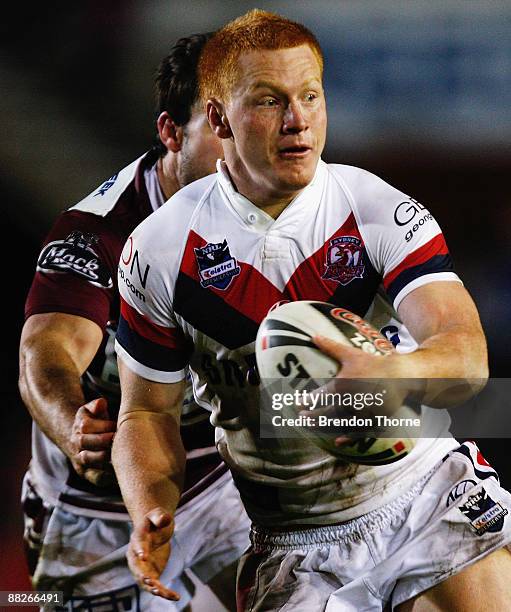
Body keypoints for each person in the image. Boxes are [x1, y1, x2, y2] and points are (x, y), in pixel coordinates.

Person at [112, 10, 511, 611]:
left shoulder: (376, 210)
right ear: (219, 117)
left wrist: (393, 375)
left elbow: (467, 355)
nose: (298, 121)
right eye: (270, 101)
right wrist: (149, 506)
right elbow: (144, 414)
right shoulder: (159, 249)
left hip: (421, 492)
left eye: (311, 96)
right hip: (294, 539)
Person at [18, 33, 250, 612]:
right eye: (221, 127)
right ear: (171, 132)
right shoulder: (99, 233)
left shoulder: (288, 203)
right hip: (103, 514)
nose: (246, 147)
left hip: (226, 480)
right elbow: (44, 355)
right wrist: (75, 425)